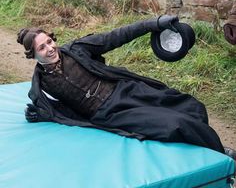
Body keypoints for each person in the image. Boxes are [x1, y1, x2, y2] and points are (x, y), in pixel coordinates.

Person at [17, 15, 235, 159]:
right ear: (33, 54)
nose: (50, 48)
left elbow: (117, 36)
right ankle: (221, 154)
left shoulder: (77, 49)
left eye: (49, 42)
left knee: (190, 106)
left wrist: (154, 23)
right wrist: (45, 114)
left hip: (125, 90)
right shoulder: (41, 85)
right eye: (42, 47)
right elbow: (61, 110)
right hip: (109, 113)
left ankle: (207, 147)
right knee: (173, 123)